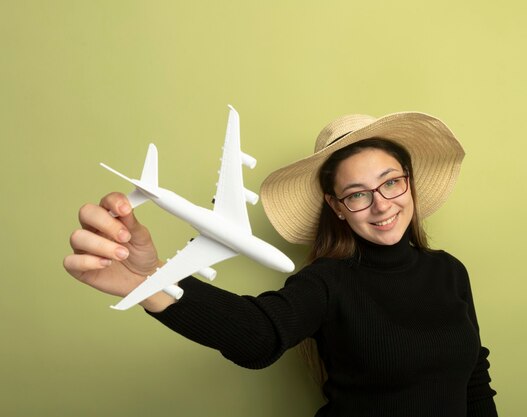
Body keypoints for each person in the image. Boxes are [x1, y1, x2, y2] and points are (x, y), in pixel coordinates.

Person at [64, 111, 498, 416]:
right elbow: (259, 335)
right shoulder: (328, 282)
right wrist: (152, 278)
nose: (380, 205)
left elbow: (474, 378)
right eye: (357, 193)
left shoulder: (450, 272)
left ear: (409, 184)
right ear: (337, 206)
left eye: (391, 183)